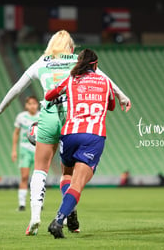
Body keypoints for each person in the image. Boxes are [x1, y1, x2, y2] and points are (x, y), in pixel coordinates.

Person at [0, 30, 131, 236]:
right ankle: (68, 213)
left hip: (48, 115)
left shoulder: (41, 62)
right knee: (69, 173)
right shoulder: (78, 62)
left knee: (40, 169)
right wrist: (122, 97)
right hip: (72, 118)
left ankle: (34, 217)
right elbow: (105, 80)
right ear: (71, 47)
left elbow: (17, 88)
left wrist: (0, 108)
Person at [44, 48, 116, 238]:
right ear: (95, 64)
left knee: (67, 174)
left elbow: (49, 95)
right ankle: (59, 220)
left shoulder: (71, 79)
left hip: (69, 133)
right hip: (93, 136)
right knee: (78, 184)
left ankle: (69, 209)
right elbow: (112, 105)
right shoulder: (105, 81)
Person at [12, 96, 40, 211]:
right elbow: (16, 133)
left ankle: (38, 202)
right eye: (30, 103)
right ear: (26, 105)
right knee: (24, 176)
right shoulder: (21, 117)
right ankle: (22, 204)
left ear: (37, 105)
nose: (32, 106)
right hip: (25, 149)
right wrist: (14, 150)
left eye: (34, 103)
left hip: (39, 149)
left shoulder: (41, 116)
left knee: (38, 177)